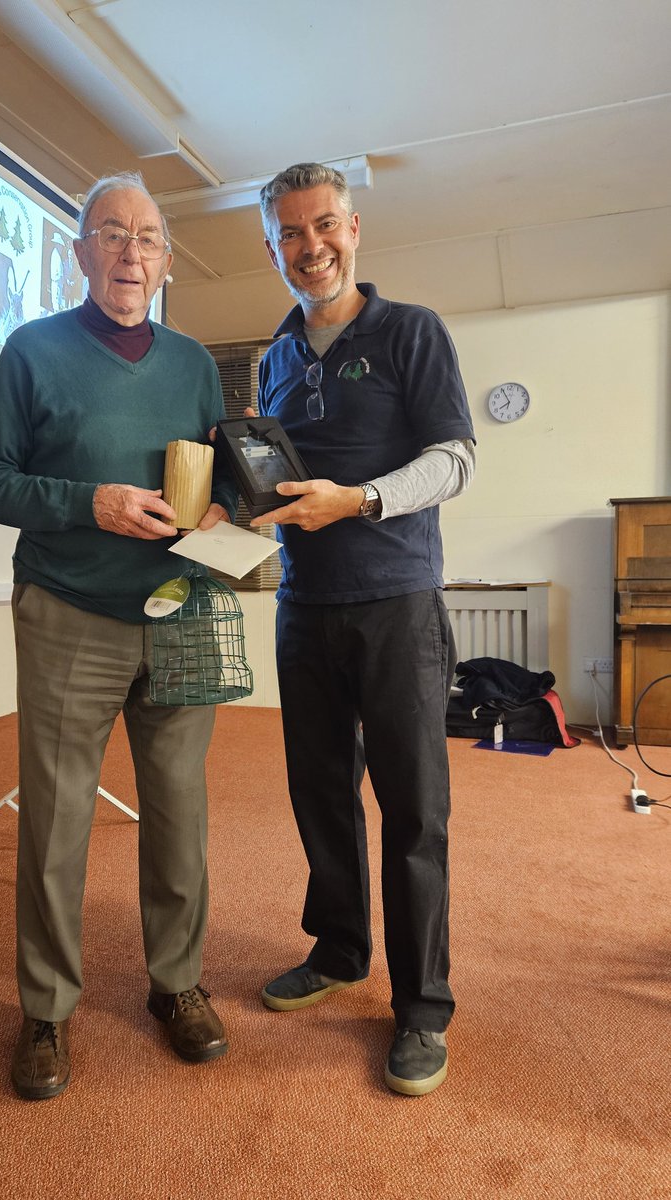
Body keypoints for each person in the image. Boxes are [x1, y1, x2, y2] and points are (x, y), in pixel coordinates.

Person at [0, 171, 237, 1101]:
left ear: (164, 261)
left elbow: (213, 477)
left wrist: (227, 514)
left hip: (180, 611)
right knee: (56, 818)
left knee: (179, 812)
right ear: (79, 254)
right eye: (111, 234)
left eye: (148, 238)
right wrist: (91, 503)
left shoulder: (195, 362)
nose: (131, 252)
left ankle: (177, 985)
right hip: (69, 612)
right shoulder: (32, 353)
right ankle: (44, 1010)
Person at [250, 162, 476, 1096]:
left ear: (355, 228)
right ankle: (341, 949)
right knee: (320, 796)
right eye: (292, 236)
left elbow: (455, 460)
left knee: (415, 811)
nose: (314, 249)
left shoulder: (412, 331)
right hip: (304, 609)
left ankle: (423, 1006)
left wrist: (360, 500)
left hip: (396, 604)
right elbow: (269, 480)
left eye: (327, 226)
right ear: (273, 248)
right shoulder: (272, 354)